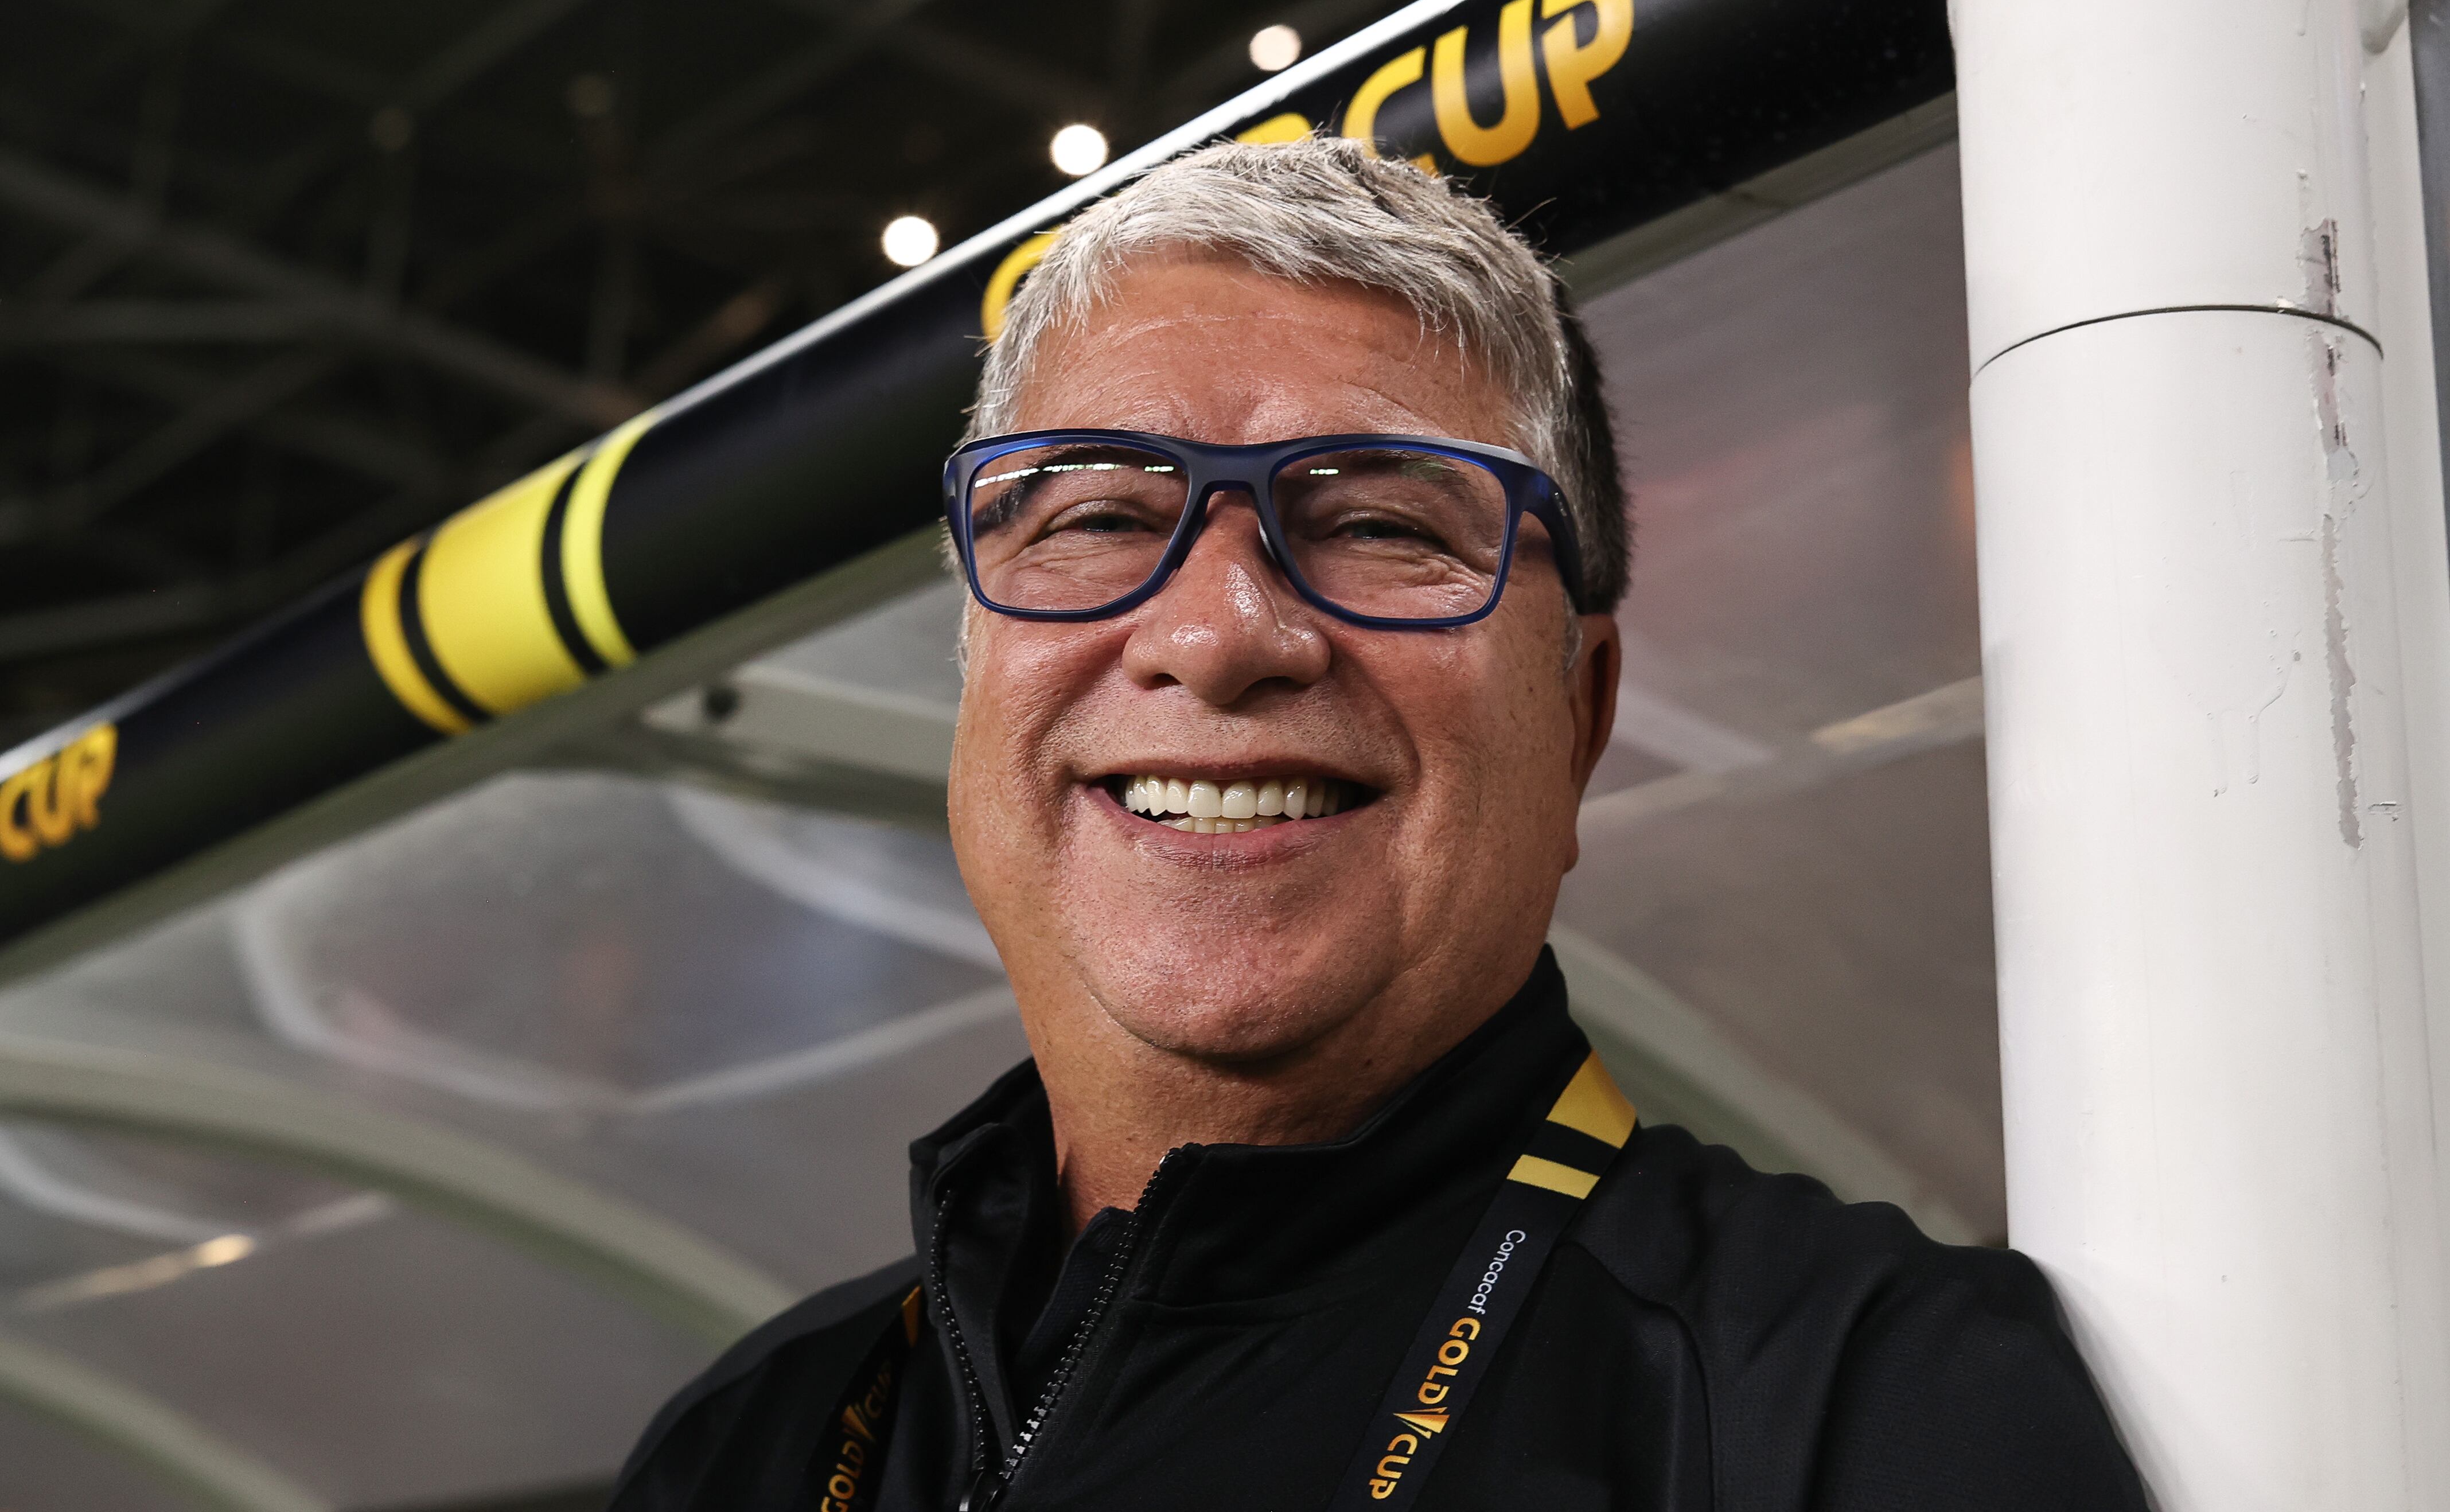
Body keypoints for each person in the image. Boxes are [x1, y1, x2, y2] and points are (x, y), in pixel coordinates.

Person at [610, 139, 2147, 1511]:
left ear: (1580, 713)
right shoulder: (743, 1444)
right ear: (975, 681)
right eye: (1098, 518)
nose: (1217, 633)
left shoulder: (1861, 1412)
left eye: (1383, 526)